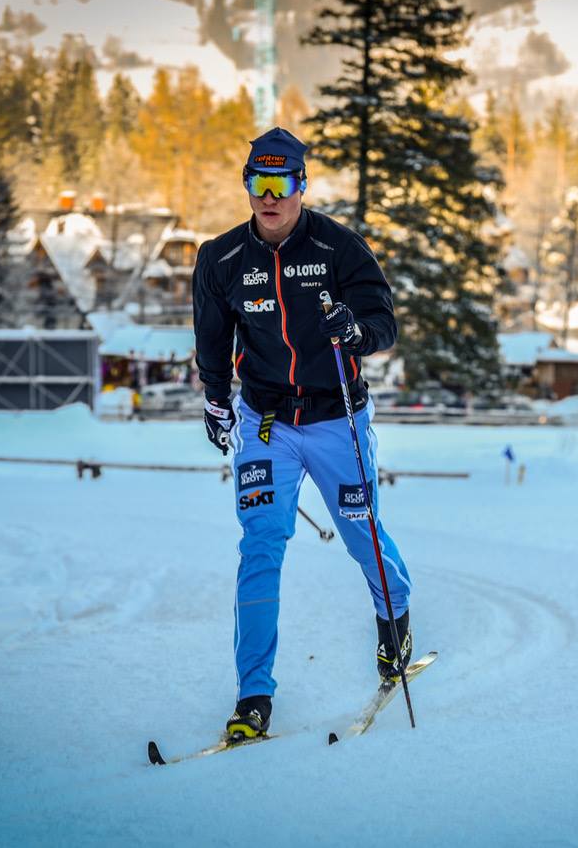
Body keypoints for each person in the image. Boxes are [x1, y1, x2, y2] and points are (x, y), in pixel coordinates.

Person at [192, 127, 412, 741]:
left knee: (359, 531)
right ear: (247, 187)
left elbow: (382, 322)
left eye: (280, 183)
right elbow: (212, 339)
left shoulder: (339, 247)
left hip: (337, 416)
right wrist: (215, 399)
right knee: (260, 545)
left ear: (300, 185)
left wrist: (356, 331)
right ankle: (253, 696)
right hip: (267, 423)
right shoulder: (222, 258)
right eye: (256, 184)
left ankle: (393, 617)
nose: (268, 197)